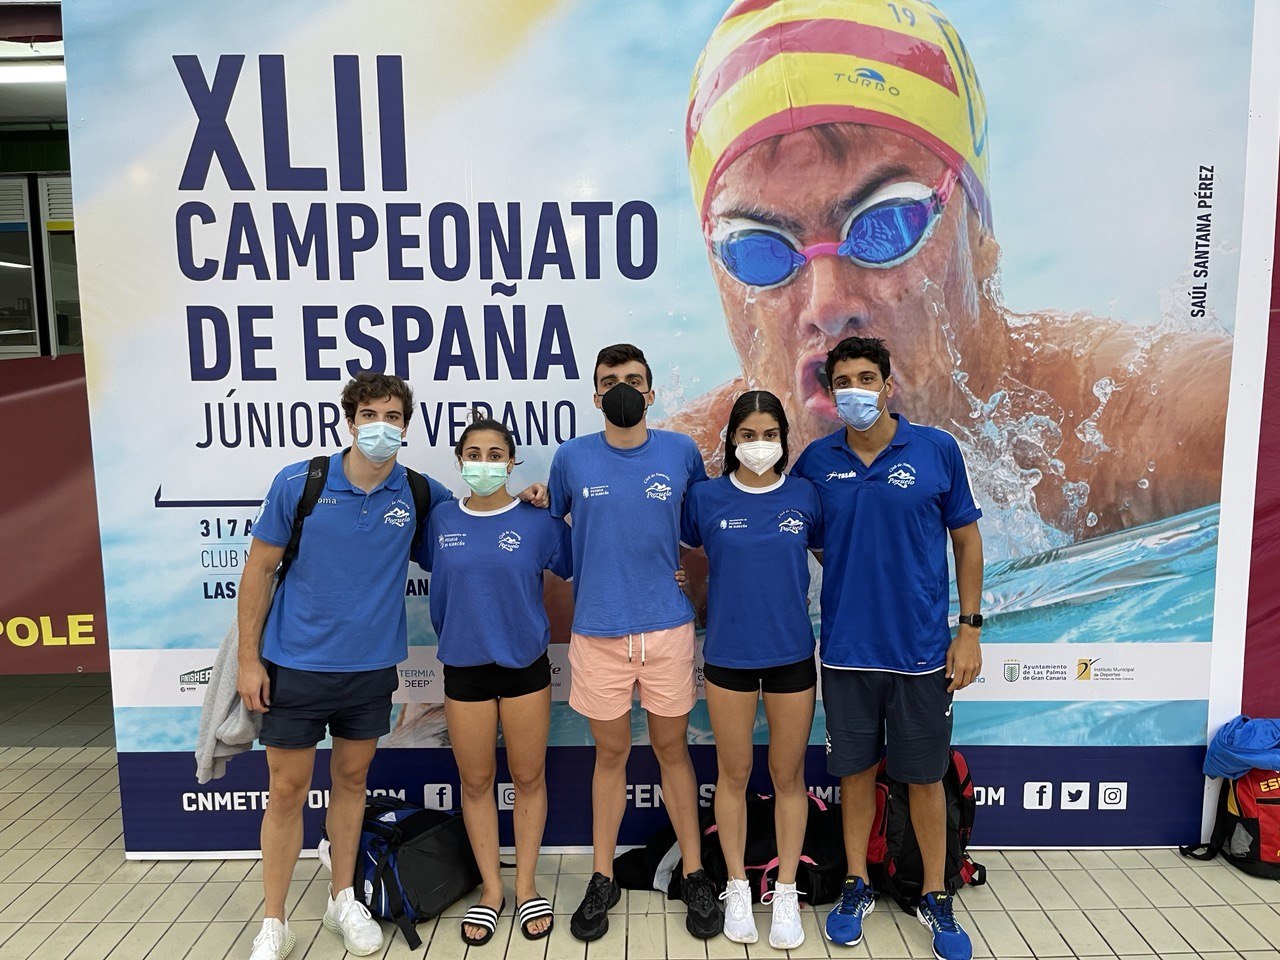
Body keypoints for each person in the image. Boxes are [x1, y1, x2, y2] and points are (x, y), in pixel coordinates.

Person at [666, 0, 1230, 542]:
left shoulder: (1118, 434)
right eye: (758, 250)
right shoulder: (689, 495)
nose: (827, 306)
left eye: (884, 224)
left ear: (980, 234)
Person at [236, 372, 454, 960]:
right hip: (295, 665)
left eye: (393, 417)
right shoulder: (300, 483)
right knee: (286, 792)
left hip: (371, 670)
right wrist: (248, 660)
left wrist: (530, 502)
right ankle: (275, 921)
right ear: (350, 420)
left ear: (406, 427)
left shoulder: (417, 493)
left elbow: (474, 534)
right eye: (370, 415)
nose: (381, 427)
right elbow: (256, 571)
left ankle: (343, 898)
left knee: (352, 783)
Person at [791, 337, 983, 960]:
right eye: (843, 380)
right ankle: (855, 884)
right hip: (846, 652)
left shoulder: (935, 450)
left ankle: (936, 895)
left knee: (925, 780)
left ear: (888, 384)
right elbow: (798, 532)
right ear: (829, 393)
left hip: (922, 653)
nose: (855, 389)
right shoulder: (816, 463)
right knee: (854, 777)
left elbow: (967, 541)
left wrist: (970, 628)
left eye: (866, 377)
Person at [547, 342, 722, 941]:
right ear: (595, 393)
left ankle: (695, 872)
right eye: (609, 380)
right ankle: (602, 877)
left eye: (633, 379)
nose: (621, 387)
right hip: (596, 633)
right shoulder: (571, 459)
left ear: (651, 392)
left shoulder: (680, 453)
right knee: (612, 756)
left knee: (673, 751)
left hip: (668, 629)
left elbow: (697, 531)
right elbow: (556, 533)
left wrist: (685, 575)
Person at [679, 390, 821, 948]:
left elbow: (835, 557)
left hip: (791, 657)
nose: (758, 446)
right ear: (730, 440)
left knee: (789, 778)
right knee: (732, 776)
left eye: (769, 435)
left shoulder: (806, 496)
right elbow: (679, 551)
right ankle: (737, 884)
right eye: (747, 435)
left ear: (783, 441)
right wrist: (689, 595)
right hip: (728, 659)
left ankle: (785, 891)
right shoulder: (706, 498)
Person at [424, 414, 572, 946]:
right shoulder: (440, 519)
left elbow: (581, 563)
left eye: (495, 454)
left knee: (529, 778)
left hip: (524, 669)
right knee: (476, 782)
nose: (484, 463)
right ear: (460, 461)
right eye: (474, 453)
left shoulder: (538, 520)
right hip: (463, 667)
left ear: (512, 462)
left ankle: (527, 883)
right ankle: (492, 890)